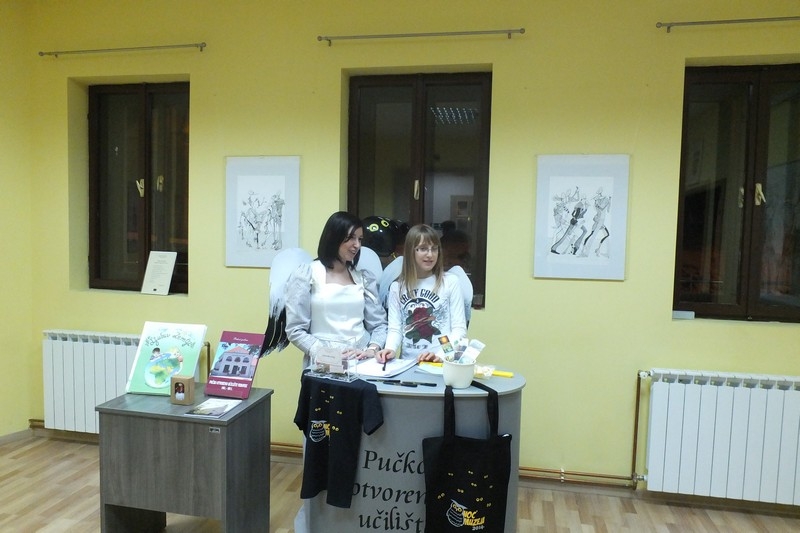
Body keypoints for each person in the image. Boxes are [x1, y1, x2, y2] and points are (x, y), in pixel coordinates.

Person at [284, 211, 388, 368]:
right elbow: (295, 329)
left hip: (361, 362)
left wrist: (372, 349)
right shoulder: (307, 275)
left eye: (360, 239)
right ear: (334, 237)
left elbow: (379, 325)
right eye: (351, 238)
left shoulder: (364, 279)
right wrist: (325, 353)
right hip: (323, 363)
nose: (357, 245)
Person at [377, 224, 467, 363]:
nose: (430, 254)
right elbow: (395, 329)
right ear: (410, 251)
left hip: (439, 363)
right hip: (407, 364)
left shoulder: (450, 282)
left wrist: (441, 356)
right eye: (423, 249)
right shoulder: (397, 287)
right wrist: (390, 349)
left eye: (434, 249)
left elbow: (459, 330)